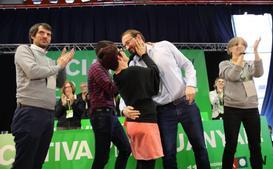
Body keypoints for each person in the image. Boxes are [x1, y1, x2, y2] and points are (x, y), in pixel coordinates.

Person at [121, 29, 210, 169]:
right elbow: (128, 90)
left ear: (138, 37)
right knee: (168, 154)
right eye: (124, 45)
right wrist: (123, 108)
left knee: (200, 147)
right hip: (162, 112)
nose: (126, 47)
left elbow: (187, 65)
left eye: (127, 42)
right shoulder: (133, 65)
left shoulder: (164, 46)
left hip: (186, 103)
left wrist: (191, 84)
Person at [11, 23, 74, 169]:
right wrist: (58, 66)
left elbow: (59, 83)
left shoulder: (50, 61)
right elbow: (32, 71)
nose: (46, 36)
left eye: (49, 34)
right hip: (29, 112)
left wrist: (61, 65)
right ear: (32, 36)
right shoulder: (24, 50)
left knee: (37, 163)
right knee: (24, 163)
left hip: (48, 115)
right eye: (42, 33)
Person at [101, 40, 163, 169]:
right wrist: (144, 55)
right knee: (148, 164)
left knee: (141, 161)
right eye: (120, 51)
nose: (124, 52)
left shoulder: (117, 77)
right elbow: (155, 73)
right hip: (145, 122)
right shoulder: (134, 71)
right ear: (118, 57)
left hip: (132, 124)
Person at [219, 37, 263, 169]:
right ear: (230, 49)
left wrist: (255, 51)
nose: (240, 46)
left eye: (243, 45)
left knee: (255, 144)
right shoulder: (224, 64)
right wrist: (239, 60)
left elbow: (259, 73)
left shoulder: (249, 64)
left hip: (251, 108)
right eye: (236, 44)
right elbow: (232, 76)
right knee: (231, 145)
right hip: (232, 109)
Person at [88, 40, 131, 169]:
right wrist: (122, 70)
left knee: (125, 149)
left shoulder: (105, 69)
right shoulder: (96, 67)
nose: (116, 54)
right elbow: (112, 89)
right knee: (102, 157)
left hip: (110, 115)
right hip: (101, 115)